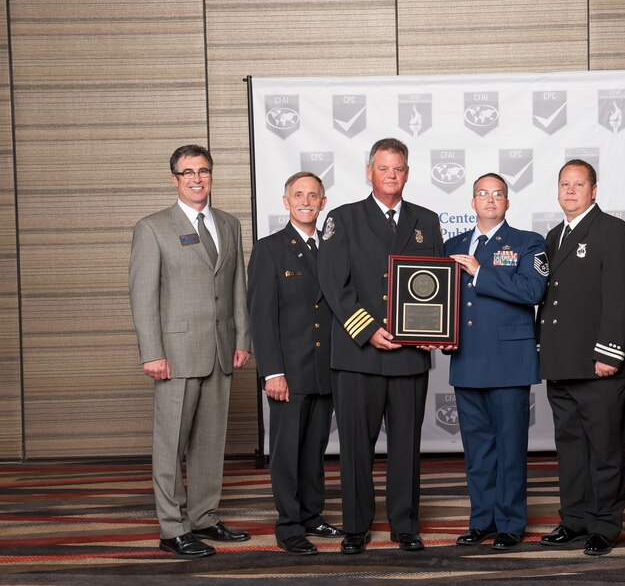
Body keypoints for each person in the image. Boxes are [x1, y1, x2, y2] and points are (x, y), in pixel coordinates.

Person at [318, 137, 444, 554]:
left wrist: (433, 331)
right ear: (369, 172)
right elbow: (334, 286)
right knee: (356, 447)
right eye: (384, 168)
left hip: (409, 357)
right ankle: (356, 526)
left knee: (406, 447)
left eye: (399, 169)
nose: (392, 175)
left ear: (408, 173)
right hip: (359, 354)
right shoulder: (342, 218)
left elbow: (434, 286)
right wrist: (368, 329)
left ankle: (405, 524)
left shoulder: (427, 220)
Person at [129, 144, 251, 558]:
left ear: (212, 176)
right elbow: (142, 296)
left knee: (210, 442)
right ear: (175, 180)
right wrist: (152, 352)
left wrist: (242, 340)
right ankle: (171, 527)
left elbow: (237, 288)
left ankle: (203, 517)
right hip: (176, 353)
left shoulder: (230, 224)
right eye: (187, 173)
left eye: (203, 171)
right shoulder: (153, 227)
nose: (196, 178)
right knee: (171, 444)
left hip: (220, 349)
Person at [536, 159, 625, 556]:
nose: (570, 191)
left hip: (598, 365)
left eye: (579, 184)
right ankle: (574, 519)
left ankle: (605, 524)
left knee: (606, 449)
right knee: (571, 448)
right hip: (561, 363)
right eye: (564, 184)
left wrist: (610, 353)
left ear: (594, 190)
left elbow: (621, 297)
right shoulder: (552, 236)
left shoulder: (613, 231)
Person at [444, 173, 548, 551]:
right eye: (483, 194)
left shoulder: (527, 242)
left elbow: (533, 290)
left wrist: (480, 271)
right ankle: (482, 520)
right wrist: (437, 334)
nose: (490, 199)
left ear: (507, 202)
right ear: (472, 202)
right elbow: (442, 302)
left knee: (509, 448)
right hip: (467, 359)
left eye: (498, 194)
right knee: (477, 450)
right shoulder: (452, 244)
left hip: (508, 362)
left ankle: (510, 523)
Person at [247, 171, 344, 555]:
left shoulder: (334, 248)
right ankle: (289, 525)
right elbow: (261, 316)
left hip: (326, 368)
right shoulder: (270, 249)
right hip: (289, 370)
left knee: (315, 449)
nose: (306, 201)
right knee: (287, 452)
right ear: (285, 202)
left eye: (314, 195)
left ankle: (311, 514)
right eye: (298, 195)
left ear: (324, 203)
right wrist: (272, 371)